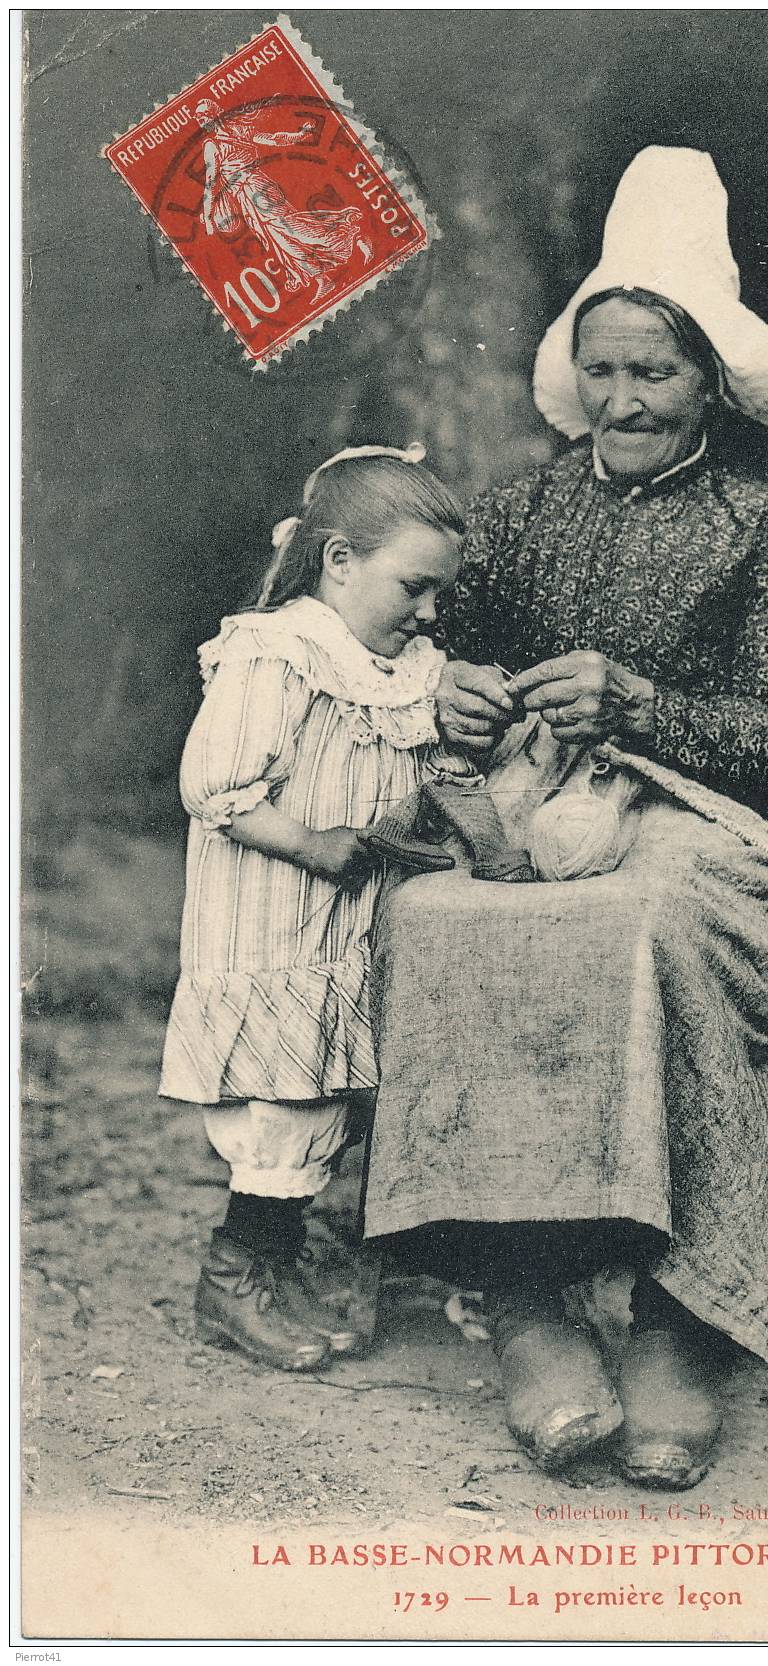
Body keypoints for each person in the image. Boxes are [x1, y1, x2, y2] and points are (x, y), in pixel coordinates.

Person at [361, 148, 768, 1486]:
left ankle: (685, 1322)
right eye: (606, 370)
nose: (624, 399)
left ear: (710, 384)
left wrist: (639, 702)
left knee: (653, 924)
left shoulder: (766, 530)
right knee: (436, 916)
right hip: (550, 801)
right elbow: (435, 651)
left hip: (712, 816)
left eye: (658, 372)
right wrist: (455, 695)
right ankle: (525, 1300)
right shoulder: (521, 507)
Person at [159, 444, 463, 1372]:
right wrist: (320, 846)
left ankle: (276, 1267)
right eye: (413, 587)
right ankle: (233, 1278)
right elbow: (213, 786)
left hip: (344, 931)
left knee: (326, 1093)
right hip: (274, 924)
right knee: (282, 1101)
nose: (429, 612)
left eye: (439, 593)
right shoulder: (279, 653)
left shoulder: (396, 665)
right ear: (338, 560)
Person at [196, 98, 373, 302]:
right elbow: (274, 139)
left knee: (293, 228)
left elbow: (211, 180)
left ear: (215, 114)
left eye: (203, 116)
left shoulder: (216, 143)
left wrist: (209, 216)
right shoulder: (235, 132)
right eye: (198, 118)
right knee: (279, 241)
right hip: (248, 197)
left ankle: (355, 236)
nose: (200, 121)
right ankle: (322, 280)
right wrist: (299, 135)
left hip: (256, 189)